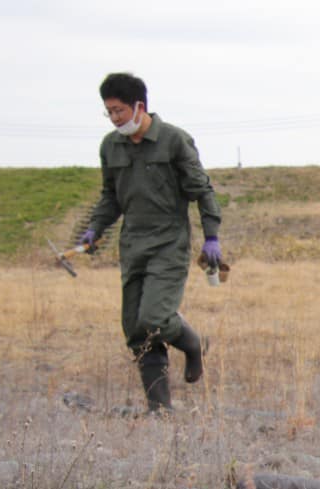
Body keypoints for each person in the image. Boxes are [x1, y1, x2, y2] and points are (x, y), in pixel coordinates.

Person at [80, 72, 222, 413]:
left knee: (155, 317)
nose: (114, 119)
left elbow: (202, 190)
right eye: (109, 112)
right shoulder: (109, 146)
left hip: (168, 242)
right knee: (135, 328)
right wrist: (94, 228)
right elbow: (109, 197)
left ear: (139, 106)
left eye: (119, 111)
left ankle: (194, 345)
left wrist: (211, 236)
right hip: (133, 244)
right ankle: (159, 409)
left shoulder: (174, 140)